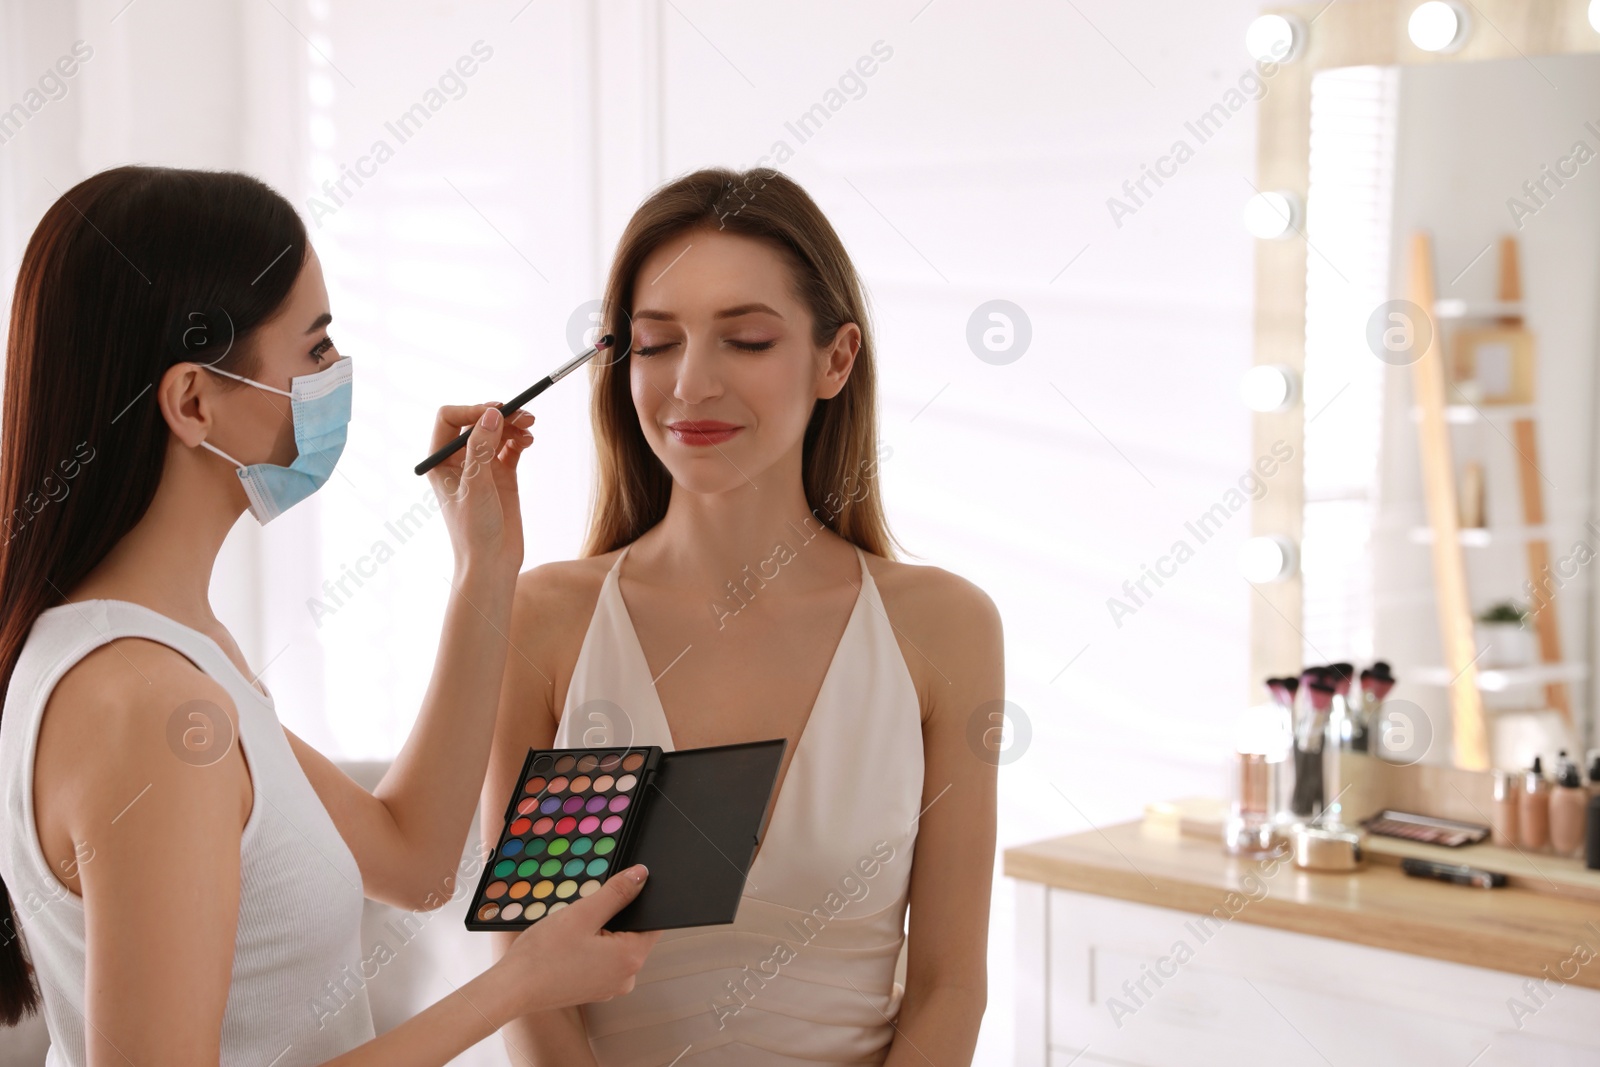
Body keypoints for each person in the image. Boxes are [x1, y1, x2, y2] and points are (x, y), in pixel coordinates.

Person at [0, 165, 659, 1066]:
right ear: (193, 402)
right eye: (315, 352)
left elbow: (413, 858)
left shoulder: (162, 653)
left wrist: (484, 566)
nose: (337, 376)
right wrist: (516, 983)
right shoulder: (146, 706)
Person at [486, 167, 1002, 1065]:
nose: (691, 384)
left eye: (748, 340)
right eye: (656, 343)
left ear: (836, 359)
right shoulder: (547, 620)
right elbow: (531, 977)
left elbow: (951, 983)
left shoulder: (945, 628)